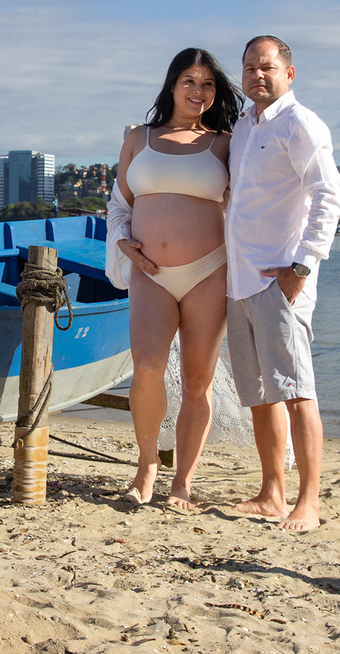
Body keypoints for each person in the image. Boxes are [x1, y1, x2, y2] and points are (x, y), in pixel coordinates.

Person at [106, 48, 243, 508]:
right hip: (151, 273)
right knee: (146, 369)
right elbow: (119, 205)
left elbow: (252, 202)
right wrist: (123, 242)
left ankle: (182, 480)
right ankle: (147, 466)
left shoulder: (227, 142)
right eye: (189, 80)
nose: (198, 91)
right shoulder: (136, 138)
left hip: (209, 270)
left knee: (197, 381)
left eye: (207, 84)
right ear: (172, 85)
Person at [226, 36, 340, 532]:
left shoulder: (301, 124)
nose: (258, 74)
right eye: (250, 67)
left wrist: (301, 268)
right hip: (239, 281)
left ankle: (308, 502)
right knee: (258, 394)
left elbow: (328, 198)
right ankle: (271, 492)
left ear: (288, 74)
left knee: (297, 391)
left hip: (281, 280)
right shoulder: (241, 129)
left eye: (268, 67)